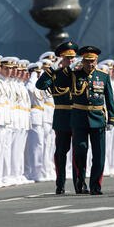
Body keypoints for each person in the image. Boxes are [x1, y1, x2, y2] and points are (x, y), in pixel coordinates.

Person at [53, 46, 114, 195]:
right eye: (87, 61)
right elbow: (58, 83)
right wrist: (68, 69)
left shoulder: (103, 76)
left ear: (97, 60)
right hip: (79, 118)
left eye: (93, 61)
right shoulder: (74, 74)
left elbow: (109, 98)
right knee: (80, 151)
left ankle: (96, 185)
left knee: (99, 154)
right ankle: (81, 181)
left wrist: (112, 119)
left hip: (98, 118)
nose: (90, 64)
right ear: (83, 61)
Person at [36, 41, 82, 194]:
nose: (71, 61)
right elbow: (40, 85)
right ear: (61, 59)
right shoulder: (55, 74)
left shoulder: (78, 73)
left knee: (78, 152)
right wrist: (52, 69)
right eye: (67, 58)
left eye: (72, 58)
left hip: (77, 116)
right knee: (61, 152)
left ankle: (79, 184)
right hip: (62, 117)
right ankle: (60, 183)